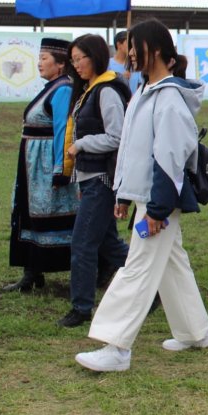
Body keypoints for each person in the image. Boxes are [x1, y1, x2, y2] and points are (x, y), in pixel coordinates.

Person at [75, 19, 208, 372]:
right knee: (172, 264)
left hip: (159, 202)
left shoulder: (167, 98)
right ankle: (197, 332)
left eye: (134, 46)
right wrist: (124, 196)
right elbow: (133, 150)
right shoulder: (144, 92)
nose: (128, 52)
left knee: (136, 269)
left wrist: (156, 209)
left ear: (155, 50)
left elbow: (169, 159)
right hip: (147, 199)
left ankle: (116, 346)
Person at [58, 34, 131, 328]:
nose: (76, 65)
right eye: (73, 60)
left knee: (83, 244)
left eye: (80, 59)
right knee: (109, 246)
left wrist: (83, 144)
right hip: (90, 179)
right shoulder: (90, 89)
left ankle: (82, 307)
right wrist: (78, 179)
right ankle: (157, 284)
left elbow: (117, 136)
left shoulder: (106, 91)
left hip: (102, 180)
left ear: (96, 56)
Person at [4, 38, 78, 292]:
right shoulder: (52, 87)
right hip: (32, 166)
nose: (39, 64)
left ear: (60, 64)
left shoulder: (63, 89)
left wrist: (60, 169)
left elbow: (62, 132)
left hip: (46, 167)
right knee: (28, 215)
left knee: (46, 217)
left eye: (44, 59)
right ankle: (31, 272)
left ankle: (97, 270)